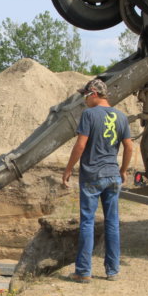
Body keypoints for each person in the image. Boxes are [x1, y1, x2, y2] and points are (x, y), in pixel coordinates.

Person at [61, 79, 134, 282]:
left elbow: (80, 145)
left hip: (92, 175)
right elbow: (129, 147)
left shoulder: (89, 115)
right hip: (112, 175)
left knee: (87, 222)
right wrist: (123, 170)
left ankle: (83, 272)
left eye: (85, 96)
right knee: (112, 223)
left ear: (93, 93)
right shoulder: (121, 117)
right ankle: (112, 271)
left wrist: (68, 169)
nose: (84, 101)